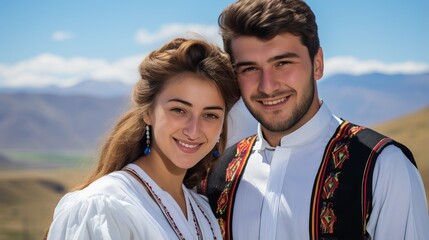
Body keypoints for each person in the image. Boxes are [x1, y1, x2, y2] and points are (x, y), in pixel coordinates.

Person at [200, 0, 429, 239]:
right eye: (249, 69)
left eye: (283, 63)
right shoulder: (219, 173)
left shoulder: (383, 166)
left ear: (317, 64)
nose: (267, 86)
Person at [46, 37, 240, 239]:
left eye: (210, 115)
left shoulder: (204, 213)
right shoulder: (105, 205)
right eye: (179, 110)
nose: (193, 131)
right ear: (148, 112)